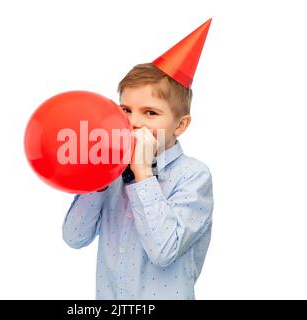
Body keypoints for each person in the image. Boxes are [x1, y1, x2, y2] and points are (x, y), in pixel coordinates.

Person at [62, 19, 214, 299]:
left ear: (180, 126)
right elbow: (74, 238)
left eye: (150, 113)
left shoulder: (194, 176)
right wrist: (100, 178)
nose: (133, 123)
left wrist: (141, 173)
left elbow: (164, 251)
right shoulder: (110, 172)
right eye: (126, 110)